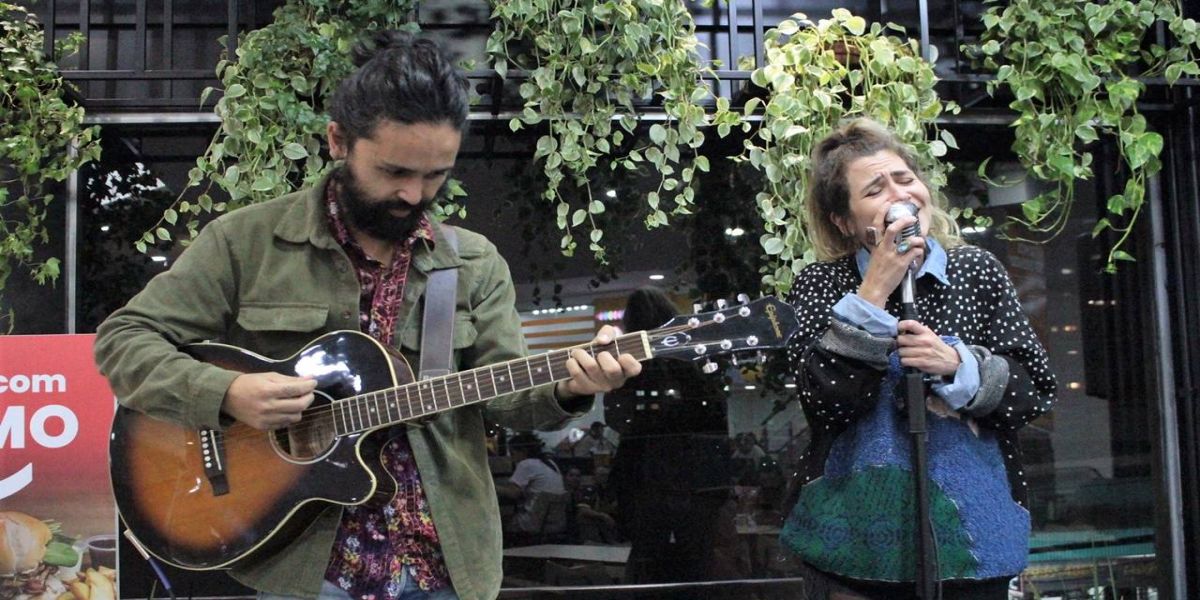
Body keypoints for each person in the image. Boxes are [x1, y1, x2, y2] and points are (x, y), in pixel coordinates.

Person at [92, 32, 641, 600]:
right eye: (394, 171)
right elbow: (124, 340)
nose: (413, 194)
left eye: (435, 176)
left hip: (444, 564)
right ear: (337, 141)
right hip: (307, 567)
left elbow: (508, 396)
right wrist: (225, 392)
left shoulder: (472, 264)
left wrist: (573, 388)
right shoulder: (245, 243)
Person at [779, 119, 1057, 599]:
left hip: (974, 540)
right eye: (875, 189)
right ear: (845, 221)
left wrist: (958, 365)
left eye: (905, 179)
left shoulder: (976, 271)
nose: (898, 194)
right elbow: (825, 404)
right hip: (855, 548)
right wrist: (874, 291)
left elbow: (1033, 389)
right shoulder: (819, 284)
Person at [605, 287, 739, 591]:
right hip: (697, 479)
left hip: (645, 477)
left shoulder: (632, 368)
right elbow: (713, 413)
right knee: (698, 563)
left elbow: (619, 419)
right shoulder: (692, 363)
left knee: (646, 563)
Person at [496, 432, 567, 536]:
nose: (511, 458)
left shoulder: (526, 464)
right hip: (556, 523)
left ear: (523, 451)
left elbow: (513, 493)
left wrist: (490, 485)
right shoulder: (551, 464)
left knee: (497, 522)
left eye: (513, 453)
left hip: (532, 522)